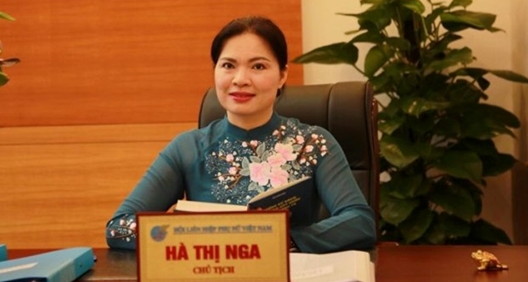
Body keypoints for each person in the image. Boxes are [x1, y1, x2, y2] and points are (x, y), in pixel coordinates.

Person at [105, 16, 376, 253]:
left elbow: (360, 221)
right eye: (228, 65)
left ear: (282, 75)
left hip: (292, 279)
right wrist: (190, 236)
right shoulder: (188, 148)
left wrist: (282, 240)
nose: (240, 79)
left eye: (258, 66)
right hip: (211, 278)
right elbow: (119, 228)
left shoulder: (313, 143)